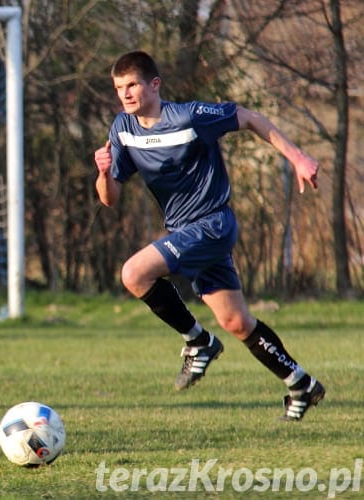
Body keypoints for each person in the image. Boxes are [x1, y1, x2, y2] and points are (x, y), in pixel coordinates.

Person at [94, 50, 324, 421]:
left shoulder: (188, 116)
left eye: (132, 84)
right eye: (119, 87)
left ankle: (198, 341)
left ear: (155, 84)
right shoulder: (122, 129)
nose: (125, 93)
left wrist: (297, 157)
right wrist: (103, 173)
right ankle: (301, 384)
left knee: (134, 273)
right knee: (237, 322)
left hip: (213, 223)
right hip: (186, 231)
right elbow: (110, 199)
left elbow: (248, 118)